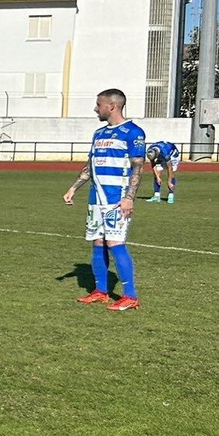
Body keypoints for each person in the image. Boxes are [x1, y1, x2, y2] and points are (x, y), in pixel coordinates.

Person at [64, 89, 145, 311]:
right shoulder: (98, 134)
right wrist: (74, 188)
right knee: (98, 242)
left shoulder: (133, 132)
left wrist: (129, 198)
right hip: (95, 200)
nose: (95, 108)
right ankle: (101, 292)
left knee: (115, 243)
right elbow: (90, 166)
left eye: (98, 104)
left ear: (112, 106)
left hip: (116, 200)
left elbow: (138, 167)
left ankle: (130, 296)